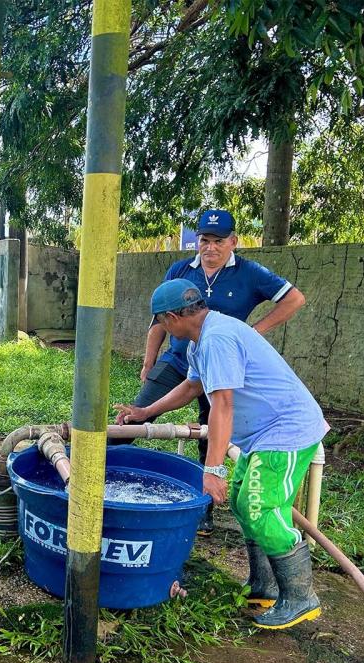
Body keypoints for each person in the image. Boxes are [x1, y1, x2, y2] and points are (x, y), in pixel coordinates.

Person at [114, 279, 328, 629]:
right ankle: (266, 586)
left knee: (260, 507)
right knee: (245, 503)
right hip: (263, 434)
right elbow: (193, 385)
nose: (161, 330)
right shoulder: (205, 338)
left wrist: (213, 469)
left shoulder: (217, 339)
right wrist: (145, 411)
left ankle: (302, 597)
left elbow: (223, 406)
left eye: (160, 323)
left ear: (171, 317)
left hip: (286, 431)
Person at [120, 209, 306, 537]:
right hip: (189, 360)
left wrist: (254, 331)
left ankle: (206, 502)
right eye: (204, 240)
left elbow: (223, 406)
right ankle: (108, 472)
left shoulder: (229, 314)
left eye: (218, 241)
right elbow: (193, 385)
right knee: (138, 418)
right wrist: (147, 394)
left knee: (213, 434)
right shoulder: (185, 285)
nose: (210, 247)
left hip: (273, 420)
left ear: (233, 242)